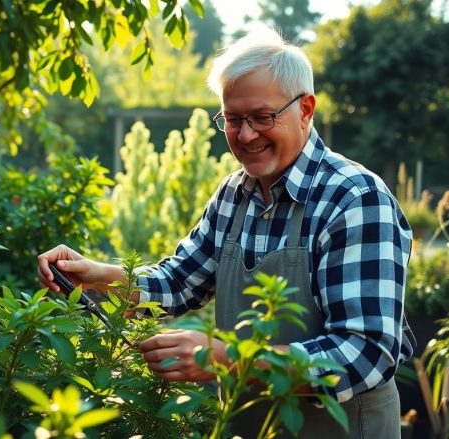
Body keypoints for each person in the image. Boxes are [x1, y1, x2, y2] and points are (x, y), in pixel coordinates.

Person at [37, 27, 415, 439]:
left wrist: (227, 359)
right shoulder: (236, 193)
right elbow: (180, 281)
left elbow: (365, 354)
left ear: (305, 109)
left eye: (262, 117)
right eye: (233, 119)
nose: (246, 135)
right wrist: (98, 275)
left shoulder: (354, 199)